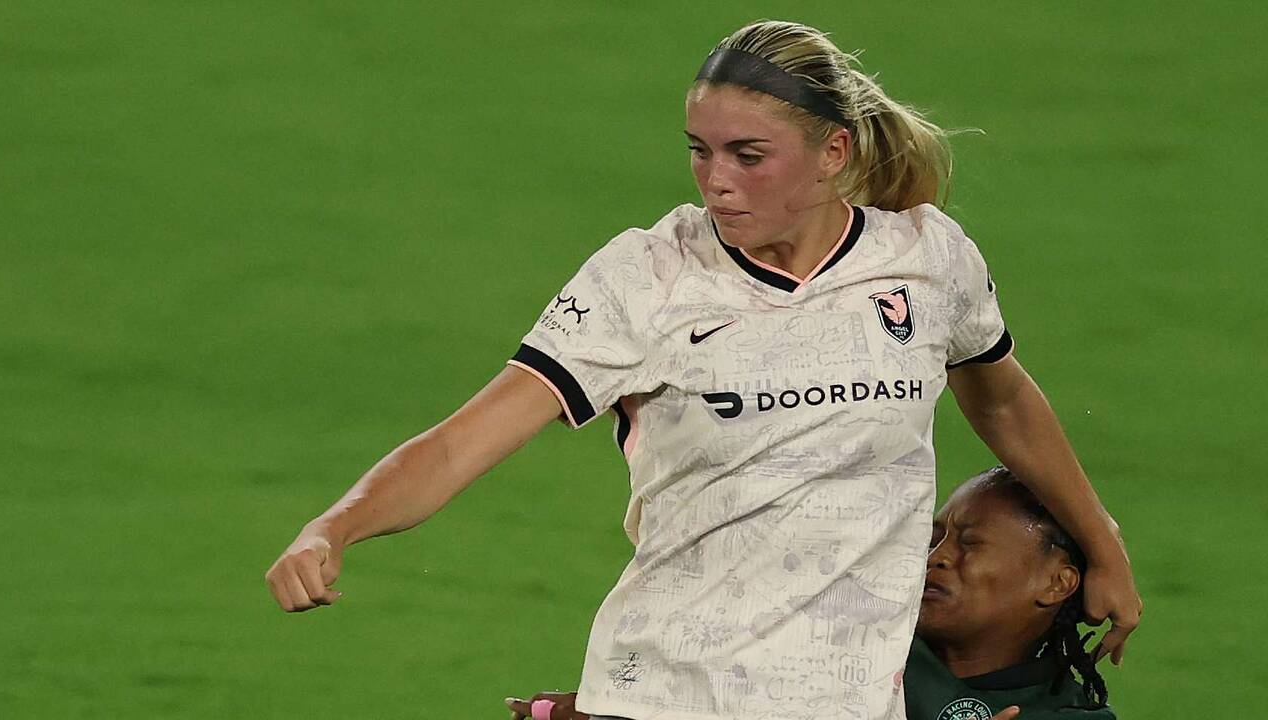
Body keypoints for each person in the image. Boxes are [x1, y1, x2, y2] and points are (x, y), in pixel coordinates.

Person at [264, 19, 1140, 720]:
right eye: (699, 150)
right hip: (668, 692)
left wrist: (1101, 543)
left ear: (834, 153)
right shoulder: (647, 279)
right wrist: (333, 528)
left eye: (748, 156)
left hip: (847, 702)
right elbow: (464, 441)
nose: (715, 181)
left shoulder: (926, 261)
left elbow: (1003, 401)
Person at [505, 466, 1116, 720]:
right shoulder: (836, 640)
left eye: (971, 544)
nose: (936, 557)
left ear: (1056, 582)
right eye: (935, 536)